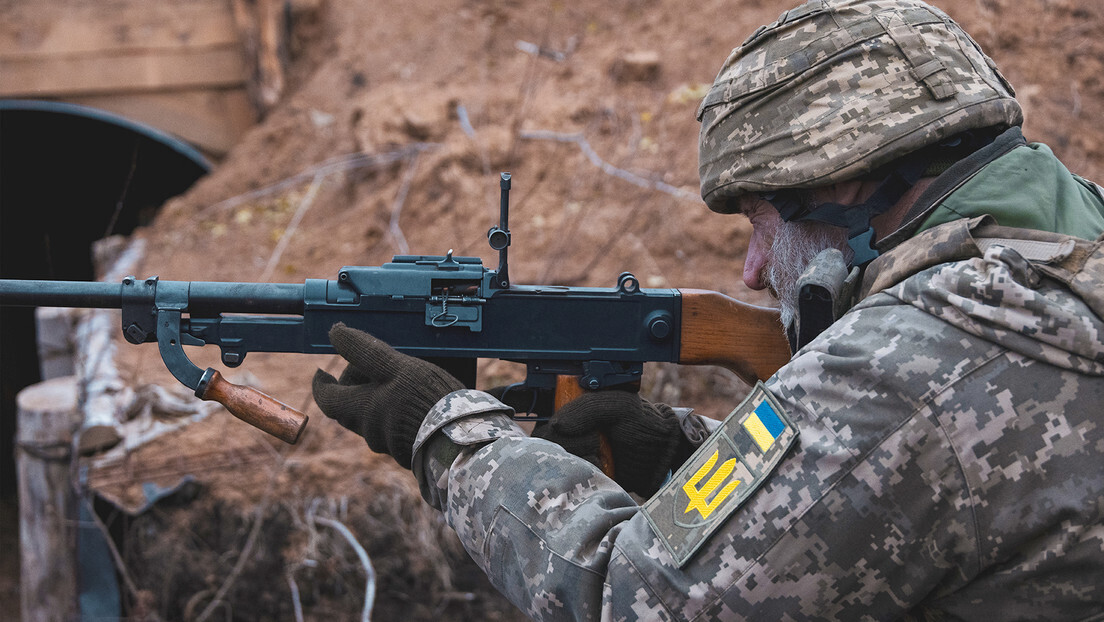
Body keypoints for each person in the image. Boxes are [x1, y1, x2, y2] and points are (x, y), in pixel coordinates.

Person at [312, 0, 1104, 618]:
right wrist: (688, 459)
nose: (755, 271)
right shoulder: (1067, 266)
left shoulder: (910, 365)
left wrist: (450, 437)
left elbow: (635, 602)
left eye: (760, 221)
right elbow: (871, 497)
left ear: (849, 185)